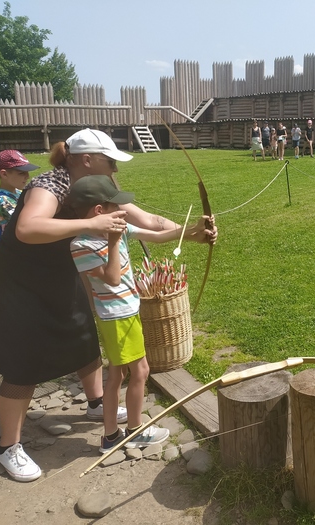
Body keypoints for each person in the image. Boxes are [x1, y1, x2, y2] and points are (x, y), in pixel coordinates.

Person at [0, 128, 217, 482]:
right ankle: (8, 446)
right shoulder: (51, 185)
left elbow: (149, 223)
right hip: (19, 280)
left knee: (82, 335)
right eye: (110, 162)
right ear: (87, 160)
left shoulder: (99, 191)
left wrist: (193, 231)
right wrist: (92, 223)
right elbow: (26, 229)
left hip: (61, 272)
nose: (115, 170)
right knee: (22, 359)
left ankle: (96, 404)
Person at [69, 176, 212, 452]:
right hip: (116, 317)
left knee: (119, 374)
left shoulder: (119, 229)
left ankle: (111, 435)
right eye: (115, 206)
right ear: (99, 211)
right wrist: (113, 241)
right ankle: (134, 431)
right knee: (140, 371)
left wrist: (195, 228)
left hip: (126, 313)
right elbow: (112, 278)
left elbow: (157, 235)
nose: (121, 211)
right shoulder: (82, 245)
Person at [0, 151, 40, 253]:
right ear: (4, 174)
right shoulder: (2, 201)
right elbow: (28, 226)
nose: (27, 176)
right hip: (14, 254)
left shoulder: (18, 192)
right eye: (21, 173)